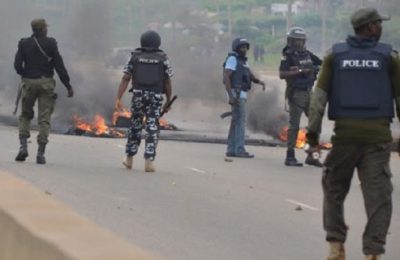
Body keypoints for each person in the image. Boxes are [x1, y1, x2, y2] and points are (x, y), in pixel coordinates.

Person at [306, 7, 399, 260]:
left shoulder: (335, 57)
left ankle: (336, 247)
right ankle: (373, 253)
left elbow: (318, 100)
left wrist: (312, 137)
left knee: (334, 190)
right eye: (378, 24)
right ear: (369, 28)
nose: (381, 28)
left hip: (344, 140)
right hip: (377, 143)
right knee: (379, 199)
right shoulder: (389, 57)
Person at [14, 18, 74, 164]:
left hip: (28, 82)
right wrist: (68, 85)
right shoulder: (51, 44)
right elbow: (59, 66)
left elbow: (17, 65)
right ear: (42, 29)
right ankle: (40, 153)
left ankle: (23, 147)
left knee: (25, 115)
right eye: (46, 28)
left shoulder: (24, 43)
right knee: (44, 119)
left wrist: (26, 74)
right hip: (46, 83)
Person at [115, 30, 172, 172]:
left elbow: (125, 78)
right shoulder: (163, 58)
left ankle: (129, 158)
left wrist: (119, 97)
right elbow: (167, 82)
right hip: (156, 96)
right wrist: (168, 100)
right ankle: (149, 161)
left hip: (138, 95)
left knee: (135, 126)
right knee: (152, 127)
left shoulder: (134, 57)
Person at [279, 26, 322, 167]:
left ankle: (313, 156)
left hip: (309, 91)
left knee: (315, 123)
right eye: (296, 41)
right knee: (294, 126)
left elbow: (321, 63)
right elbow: (282, 74)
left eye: (301, 41)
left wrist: (317, 69)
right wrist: (301, 72)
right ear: (291, 41)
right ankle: (290, 156)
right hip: (296, 92)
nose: (299, 44)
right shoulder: (287, 55)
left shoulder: (307, 54)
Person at [223, 37, 265, 158]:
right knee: (240, 122)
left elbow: (248, 74)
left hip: (241, 94)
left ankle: (231, 149)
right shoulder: (232, 59)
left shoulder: (243, 61)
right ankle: (240, 149)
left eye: (246, 47)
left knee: (235, 122)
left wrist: (258, 81)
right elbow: (226, 77)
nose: (245, 49)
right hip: (236, 95)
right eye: (242, 47)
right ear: (236, 48)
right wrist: (231, 96)